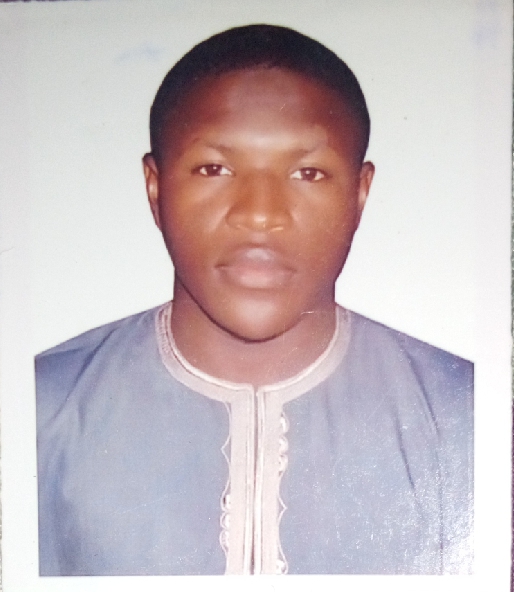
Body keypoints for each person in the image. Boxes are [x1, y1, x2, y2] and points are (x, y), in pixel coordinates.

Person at [36, 24, 473, 576]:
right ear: (155, 187)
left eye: (308, 172)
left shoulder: (465, 416)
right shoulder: (39, 409)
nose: (260, 213)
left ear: (360, 194)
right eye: (214, 168)